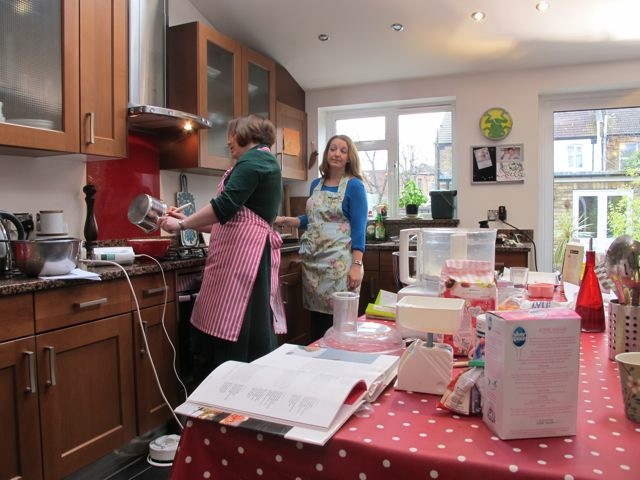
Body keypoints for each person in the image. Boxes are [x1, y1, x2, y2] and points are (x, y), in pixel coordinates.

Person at [159, 114, 285, 386]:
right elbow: (226, 222)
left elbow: (224, 207)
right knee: (237, 325)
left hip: (244, 262)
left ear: (246, 133)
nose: (228, 141)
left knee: (240, 327)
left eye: (231, 134)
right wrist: (184, 222)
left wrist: (181, 227)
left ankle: (232, 393)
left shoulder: (254, 160)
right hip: (241, 256)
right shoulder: (258, 161)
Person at [275, 134, 368, 340]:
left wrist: (357, 264)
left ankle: (341, 366)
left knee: (339, 327)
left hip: (339, 265)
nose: (337, 154)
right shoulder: (316, 184)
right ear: (327, 154)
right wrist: (285, 220)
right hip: (314, 265)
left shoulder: (354, 186)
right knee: (317, 325)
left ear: (349, 157)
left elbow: (360, 228)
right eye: (333, 149)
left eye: (343, 151)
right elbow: (313, 218)